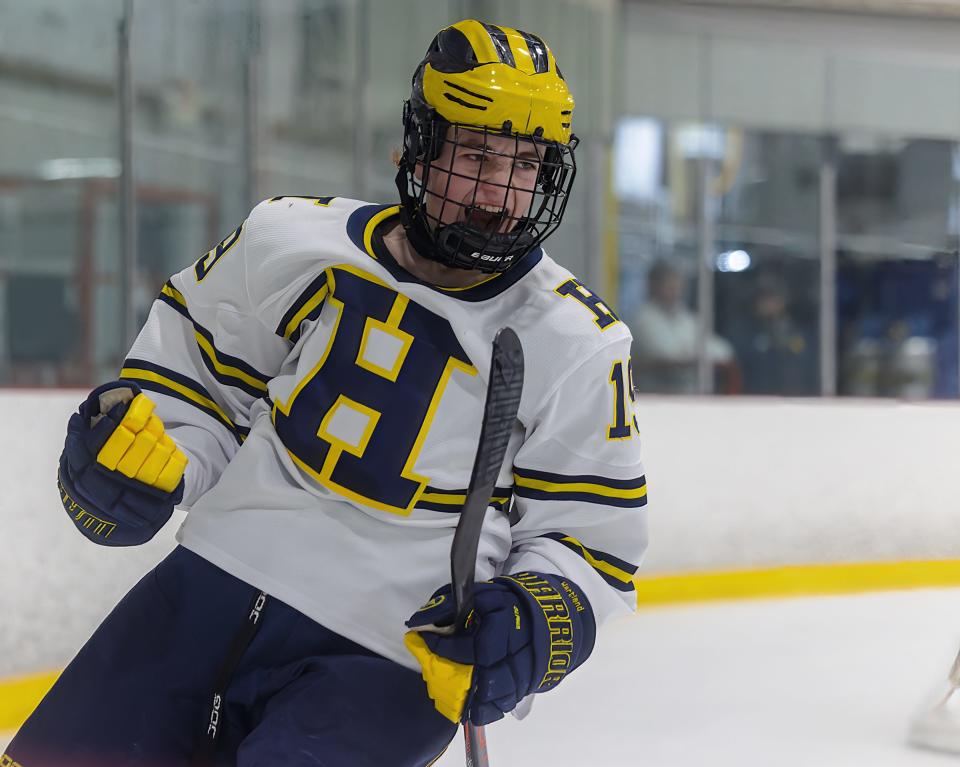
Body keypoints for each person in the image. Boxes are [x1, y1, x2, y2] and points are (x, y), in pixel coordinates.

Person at [5, 19, 647, 767]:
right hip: (202, 592)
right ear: (418, 148)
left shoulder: (574, 340)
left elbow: (591, 544)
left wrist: (534, 623)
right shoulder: (289, 240)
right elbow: (197, 387)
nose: (500, 193)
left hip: (384, 661)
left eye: (525, 164)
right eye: (476, 155)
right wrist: (139, 458)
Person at [631, 259, 734, 394]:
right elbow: (667, 355)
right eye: (668, 285)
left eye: (677, 284)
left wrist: (694, 354)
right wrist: (694, 354)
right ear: (653, 285)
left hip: (688, 398)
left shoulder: (686, 317)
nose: (674, 290)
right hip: (653, 399)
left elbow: (723, 351)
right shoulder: (643, 318)